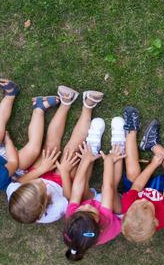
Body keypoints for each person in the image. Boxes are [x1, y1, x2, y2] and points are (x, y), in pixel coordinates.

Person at [6, 87, 106, 224]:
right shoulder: (55, 209)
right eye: (38, 186)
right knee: (73, 151)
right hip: (61, 185)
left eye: (32, 185)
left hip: (38, 172)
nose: (39, 182)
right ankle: (88, 107)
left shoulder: (16, 196)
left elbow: (20, 181)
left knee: (50, 146)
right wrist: (64, 172)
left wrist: (42, 169)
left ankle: (65, 104)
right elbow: (71, 198)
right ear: (46, 200)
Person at [118, 107, 164, 243]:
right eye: (148, 205)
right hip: (160, 189)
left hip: (137, 185)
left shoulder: (128, 204)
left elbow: (138, 185)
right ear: (155, 220)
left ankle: (131, 131)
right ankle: (151, 144)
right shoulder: (163, 215)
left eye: (140, 202)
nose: (144, 199)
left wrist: (153, 165)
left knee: (132, 172)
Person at [62, 143, 124, 261]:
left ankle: (90, 151)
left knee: (81, 191)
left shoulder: (72, 219)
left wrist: (85, 161)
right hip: (115, 214)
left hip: (99, 208)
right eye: (90, 211)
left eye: (80, 209)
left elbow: (77, 188)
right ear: (98, 224)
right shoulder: (105, 220)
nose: (86, 205)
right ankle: (119, 146)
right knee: (114, 187)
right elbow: (108, 187)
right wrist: (108, 161)